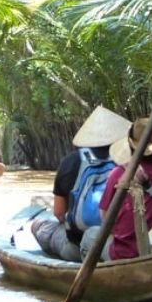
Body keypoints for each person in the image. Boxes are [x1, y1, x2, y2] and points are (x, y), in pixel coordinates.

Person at [31, 105, 130, 261]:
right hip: (119, 243)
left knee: (38, 226)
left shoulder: (71, 161)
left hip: (76, 248)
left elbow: (58, 213)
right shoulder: (128, 162)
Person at [95, 118, 152, 261]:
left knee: (89, 236)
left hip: (124, 256)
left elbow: (105, 218)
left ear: (131, 144)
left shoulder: (118, 174)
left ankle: (100, 279)